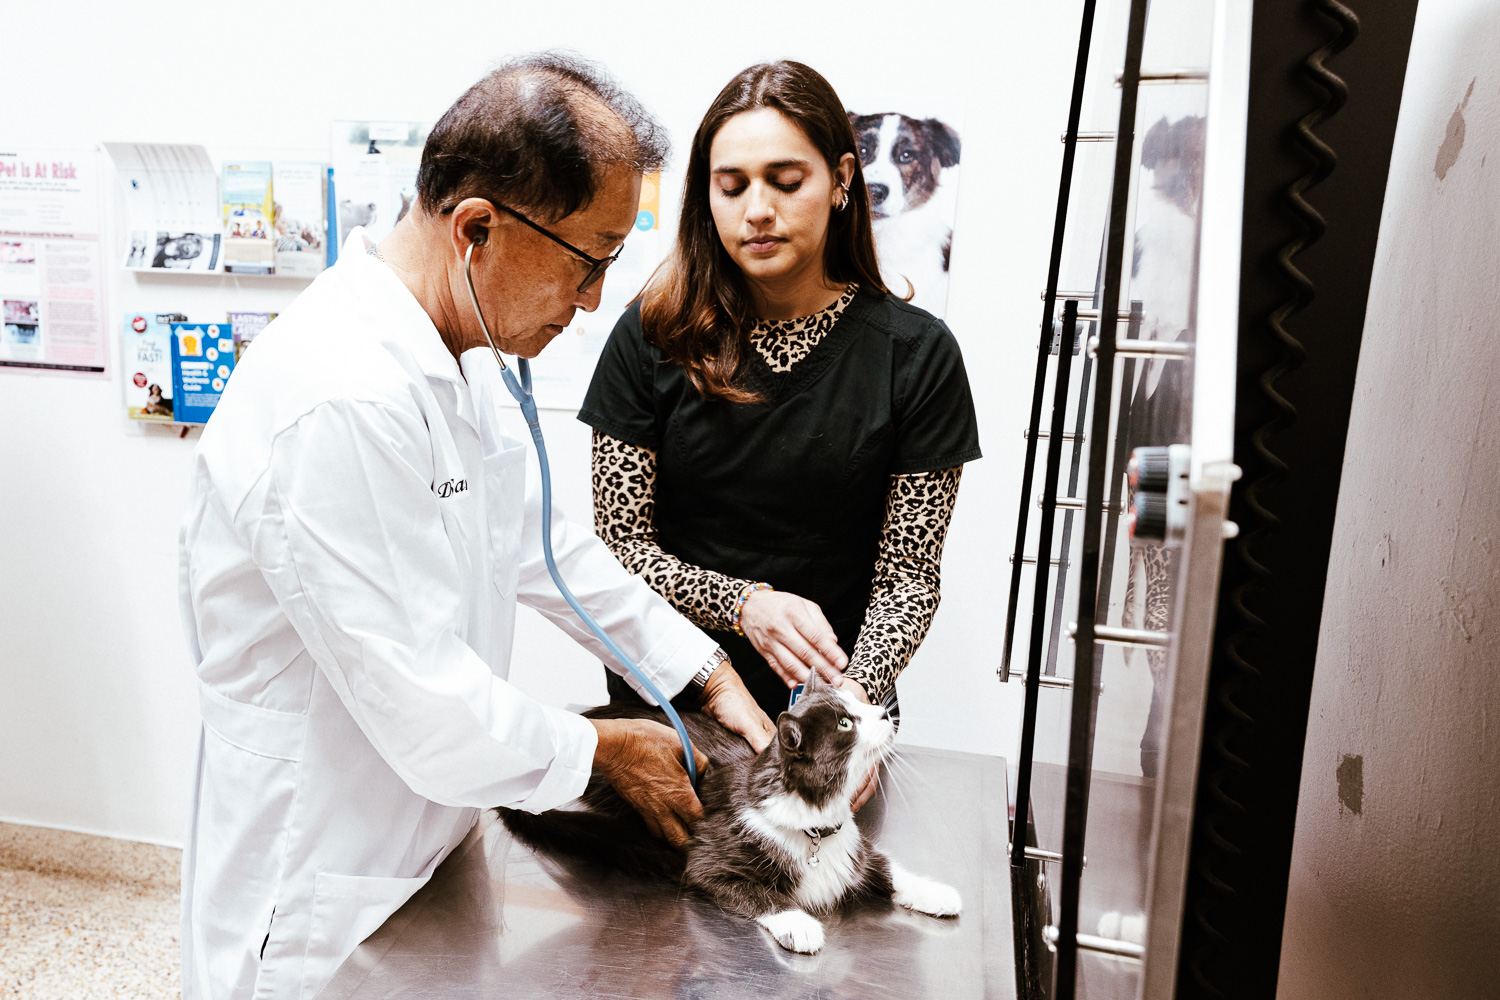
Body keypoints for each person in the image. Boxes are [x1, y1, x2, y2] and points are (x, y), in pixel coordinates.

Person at [177, 54, 774, 1000]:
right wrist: (603, 750)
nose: (591, 303)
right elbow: (423, 702)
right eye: (591, 260)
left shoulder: (453, 361)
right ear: (477, 229)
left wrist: (697, 666)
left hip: (422, 844)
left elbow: (546, 547)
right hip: (318, 873)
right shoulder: (337, 397)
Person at [579, 60, 981, 808]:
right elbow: (619, 551)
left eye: (784, 181)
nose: (756, 209)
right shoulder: (654, 335)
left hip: (835, 725)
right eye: (731, 186)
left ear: (841, 180)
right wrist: (743, 603)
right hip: (674, 714)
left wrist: (848, 715)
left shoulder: (916, 356)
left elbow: (906, 577)